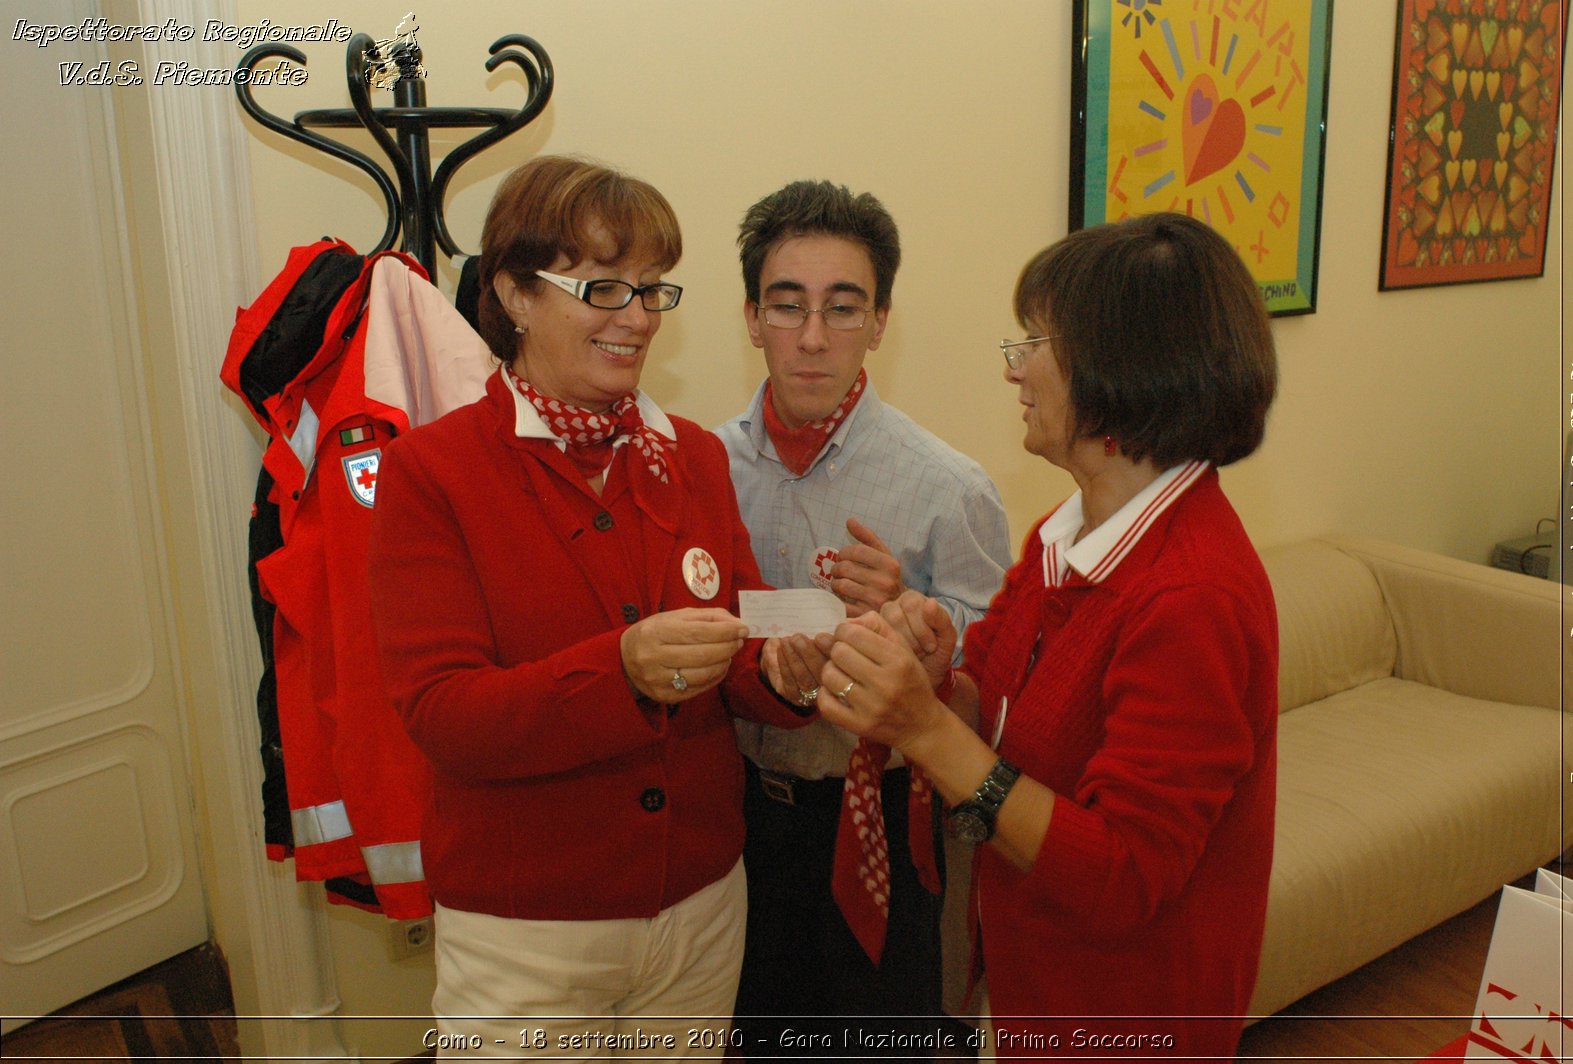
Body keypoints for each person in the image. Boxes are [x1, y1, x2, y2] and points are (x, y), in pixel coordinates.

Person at [367, 155, 809, 1057]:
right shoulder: (432, 473)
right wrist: (624, 671)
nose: (638, 317)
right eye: (603, 286)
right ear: (515, 294)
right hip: (527, 930)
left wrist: (789, 671)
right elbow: (445, 714)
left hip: (700, 904)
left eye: (652, 289)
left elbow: (737, 651)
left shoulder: (688, 454)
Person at [812, 212, 1280, 1060]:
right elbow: (987, 708)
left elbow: (1122, 877)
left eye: (1035, 342)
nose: (1014, 368)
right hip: (1032, 987)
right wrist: (934, 677)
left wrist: (920, 729)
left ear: (1121, 368)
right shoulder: (1065, 534)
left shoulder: (1191, 595)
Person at [715, 180, 1010, 1056]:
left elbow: (993, 700)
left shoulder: (946, 487)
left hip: (875, 818)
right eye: (787, 306)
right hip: (734, 821)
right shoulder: (703, 468)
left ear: (881, 320)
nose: (812, 339)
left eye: (843, 308)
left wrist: (925, 639)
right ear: (749, 315)